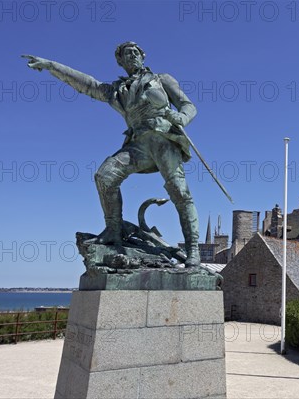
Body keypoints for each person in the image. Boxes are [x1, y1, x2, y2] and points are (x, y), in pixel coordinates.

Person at [23, 42, 201, 267]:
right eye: (128, 54)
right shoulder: (116, 90)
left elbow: (188, 105)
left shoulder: (162, 79)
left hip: (163, 139)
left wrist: (182, 118)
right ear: (120, 61)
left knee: (179, 191)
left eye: (136, 52)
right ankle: (113, 230)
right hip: (138, 144)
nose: (133, 56)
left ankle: (193, 249)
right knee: (105, 176)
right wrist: (52, 66)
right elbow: (87, 84)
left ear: (143, 56)